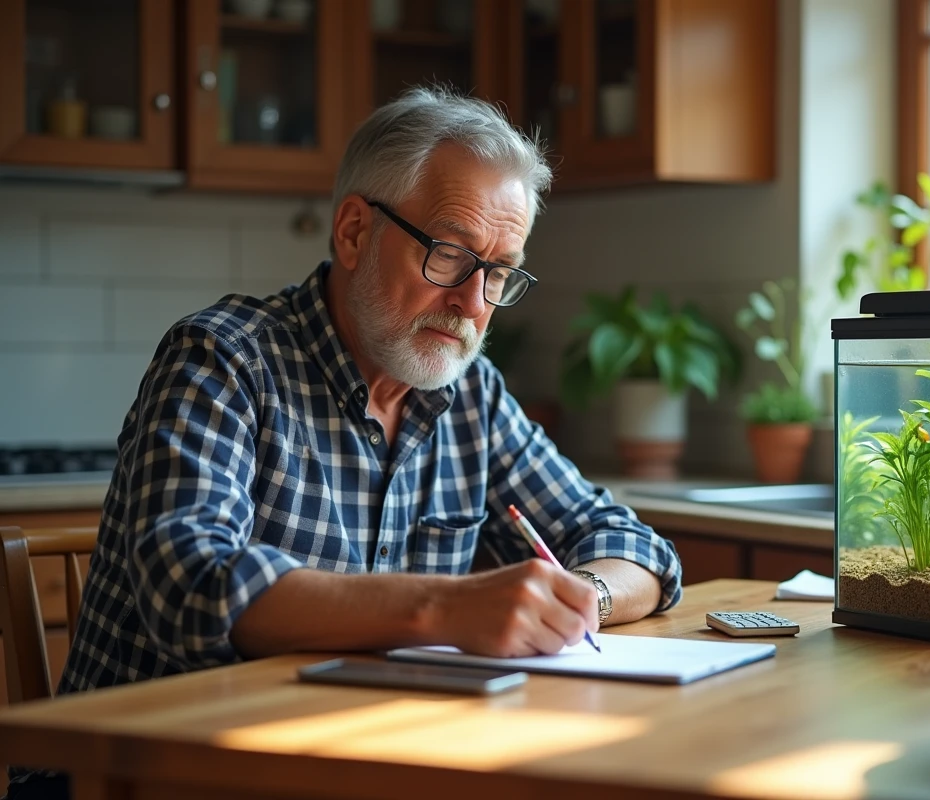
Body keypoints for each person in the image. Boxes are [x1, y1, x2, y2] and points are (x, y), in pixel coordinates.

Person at [6, 86, 682, 800]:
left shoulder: (471, 394)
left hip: (349, 763)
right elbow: (191, 586)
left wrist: (580, 602)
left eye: (500, 273)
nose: (473, 303)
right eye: (451, 255)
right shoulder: (224, 358)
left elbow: (631, 544)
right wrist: (447, 609)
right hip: (137, 779)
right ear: (355, 232)